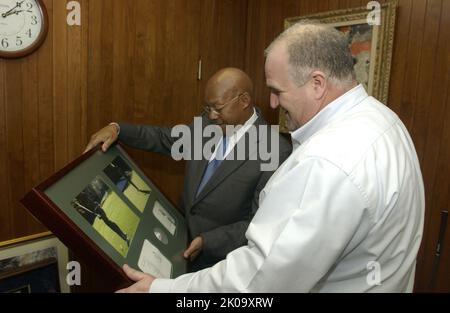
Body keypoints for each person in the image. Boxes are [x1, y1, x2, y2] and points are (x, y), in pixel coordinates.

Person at [116, 22, 425, 293]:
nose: (274, 102)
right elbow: (171, 139)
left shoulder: (326, 161)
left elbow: (258, 281)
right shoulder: (384, 120)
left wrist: (163, 290)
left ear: (317, 84)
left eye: (278, 90)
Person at [85, 68, 292, 272]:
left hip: (221, 264)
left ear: (244, 101)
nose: (211, 115)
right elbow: (166, 140)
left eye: (218, 109)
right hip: (179, 243)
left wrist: (208, 241)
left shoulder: (273, 148)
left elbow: (260, 223)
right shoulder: (206, 122)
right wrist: (118, 129)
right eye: (207, 107)